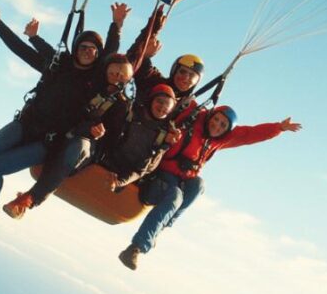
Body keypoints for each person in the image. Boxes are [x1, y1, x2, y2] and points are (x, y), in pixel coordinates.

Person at [0, 3, 129, 222]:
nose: (88, 51)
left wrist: (117, 25)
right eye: (83, 47)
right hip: (27, 125)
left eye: (93, 49)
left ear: (98, 55)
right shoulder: (56, 66)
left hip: (47, 141)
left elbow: (111, 53)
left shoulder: (95, 80)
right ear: (75, 48)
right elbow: (20, 49)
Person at [118, 104, 302, 270]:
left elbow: (249, 134)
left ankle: (160, 228)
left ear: (226, 130)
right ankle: (135, 248)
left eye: (223, 125)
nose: (217, 126)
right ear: (210, 116)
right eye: (216, 120)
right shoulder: (194, 119)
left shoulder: (219, 141)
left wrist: (278, 128)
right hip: (158, 179)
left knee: (198, 185)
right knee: (175, 196)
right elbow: (182, 100)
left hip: (180, 183)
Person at [0, 53, 137, 219]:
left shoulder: (122, 105)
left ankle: (29, 199)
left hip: (87, 146)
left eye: (121, 76)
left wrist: (99, 134)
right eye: (113, 73)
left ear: (127, 80)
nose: (116, 78)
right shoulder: (91, 87)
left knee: (77, 147)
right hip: (64, 133)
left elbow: (112, 141)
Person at [125, 5, 206, 105]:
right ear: (174, 71)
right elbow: (128, 62)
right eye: (182, 72)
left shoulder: (189, 108)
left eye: (192, 75)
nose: (185, 78)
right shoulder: (154, 80)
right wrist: (153, 28)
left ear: (197, 81)